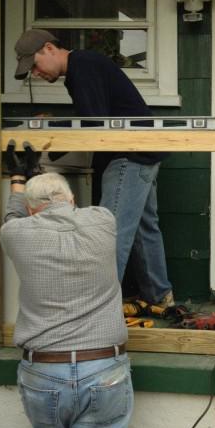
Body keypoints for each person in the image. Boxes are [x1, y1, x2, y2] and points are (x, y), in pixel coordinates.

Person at [13, 28, 173, 307]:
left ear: (49, 48)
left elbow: (92, 124)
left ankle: (99, 307)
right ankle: (160, 297)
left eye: (34, 65)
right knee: (144, 229)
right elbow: (93, 117)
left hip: (127, 154)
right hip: (144, 151)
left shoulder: (82, 66)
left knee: (108, 232)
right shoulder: (84, 65)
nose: (35, 74)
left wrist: (49, 133)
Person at [0, 146, 133, 428]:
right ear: (72, 199)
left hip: (45, 373)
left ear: (32, 211)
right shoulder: (103, 221)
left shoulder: (15, 234)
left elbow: (15, 216)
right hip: (104, 369)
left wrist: (19, 179)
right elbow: (65, 211)